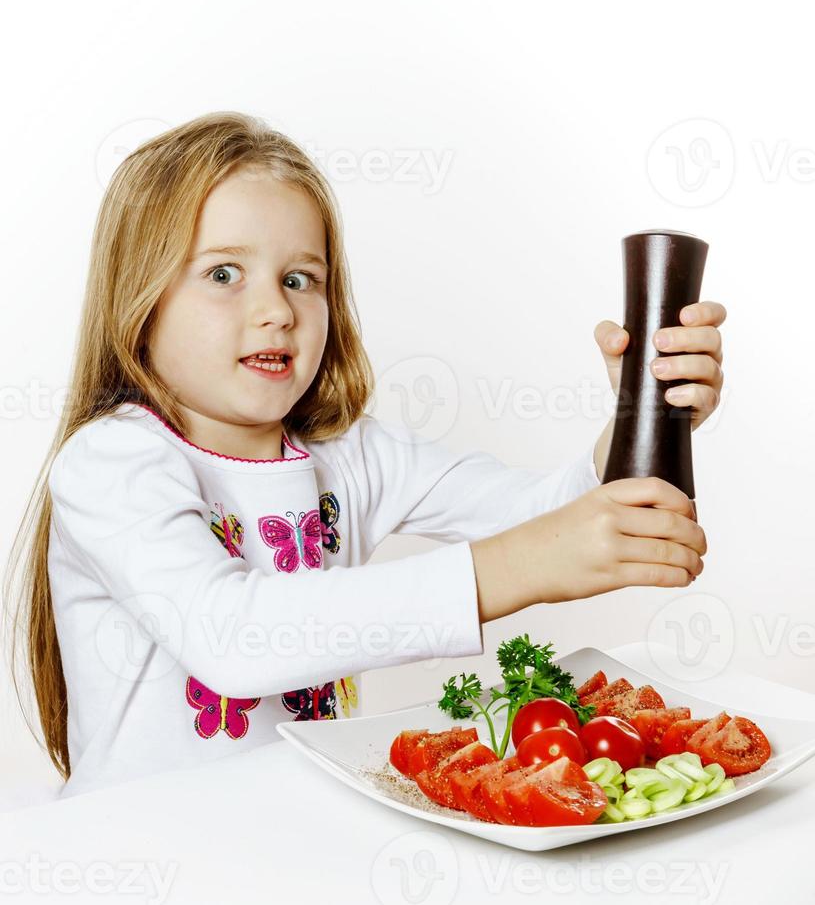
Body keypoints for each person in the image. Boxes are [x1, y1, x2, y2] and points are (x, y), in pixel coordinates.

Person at [3, 112, 725, 798]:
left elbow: (552, 515)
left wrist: (643, 408)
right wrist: (517, 565)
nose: (276, 310)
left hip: (297, 846)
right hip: (142, 858)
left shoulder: (349, 455)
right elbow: (232, 638)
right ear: (140, 298)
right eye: (224, 273)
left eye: (299, 278)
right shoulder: (111, 462)